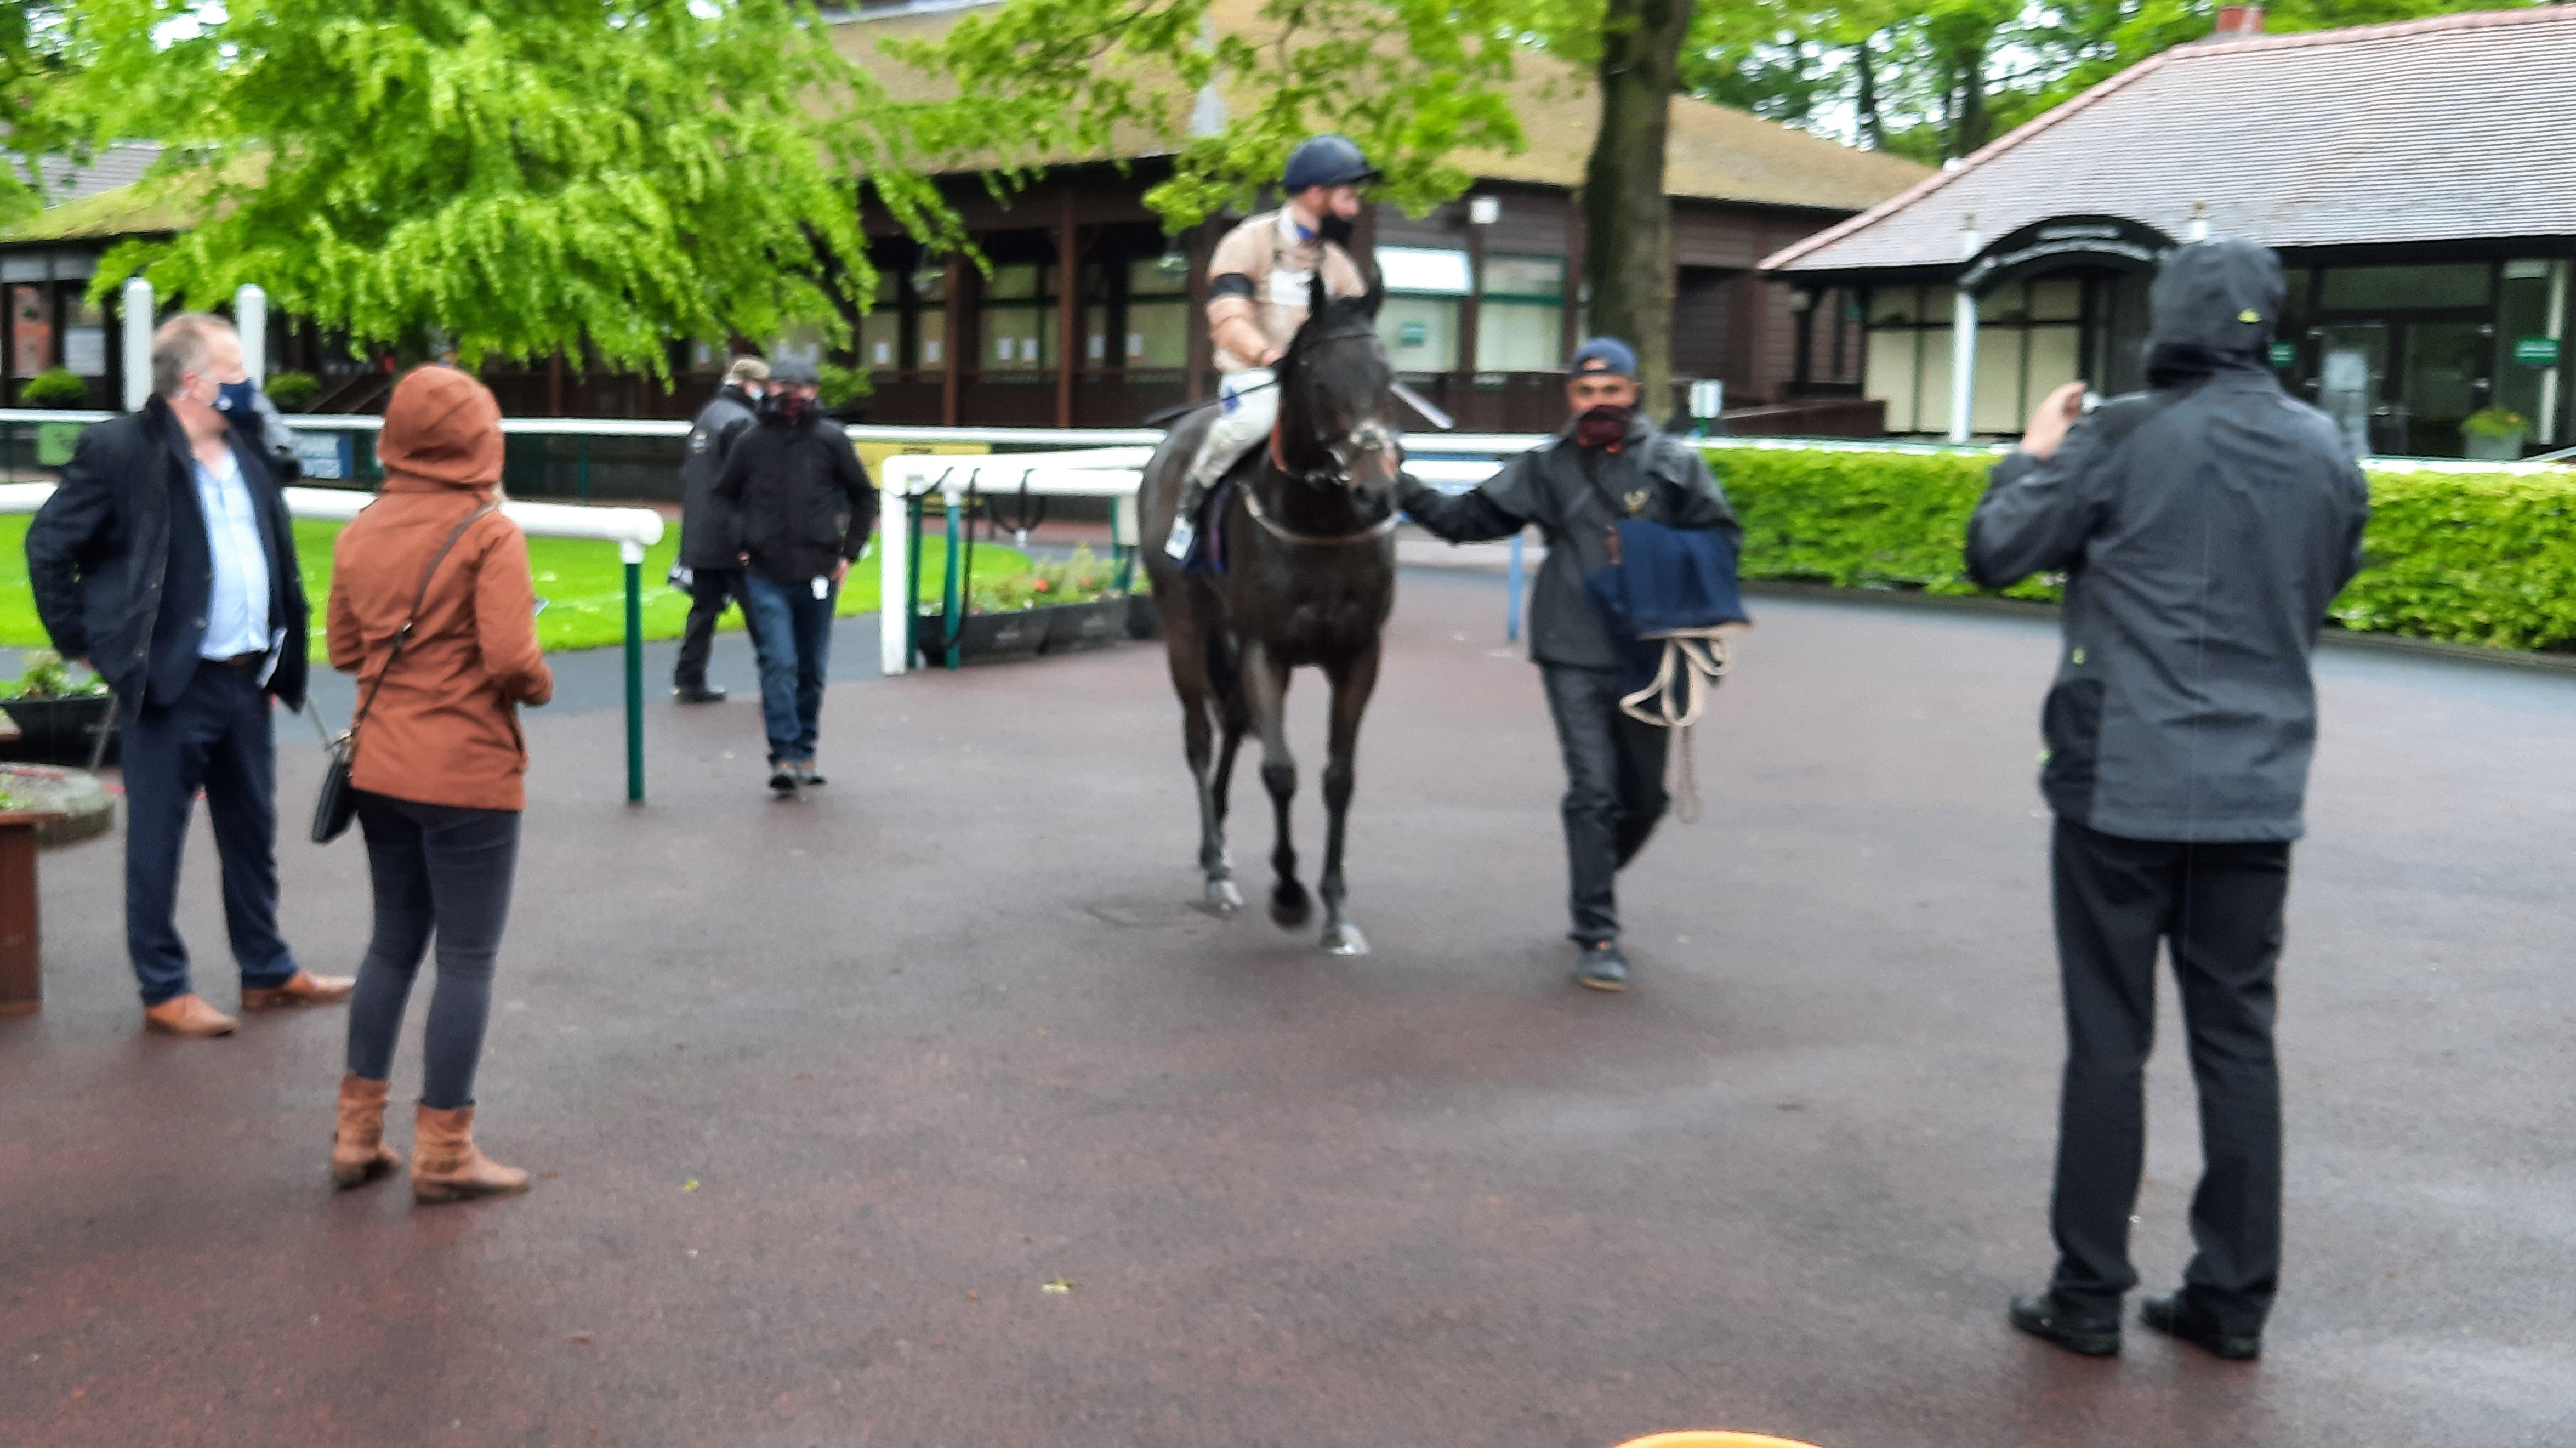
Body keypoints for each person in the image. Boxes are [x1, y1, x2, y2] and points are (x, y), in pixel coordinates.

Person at [1971, 239, 2369, 1361]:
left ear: (2168, 317)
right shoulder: (2320, 445)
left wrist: (2028, 456)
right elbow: (2326, 578)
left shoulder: (2127, 430)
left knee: (2108, 1037)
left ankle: (2087, 1294)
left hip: (2122, 778)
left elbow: (1999, 551)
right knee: (2237, 1039)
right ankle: (2231, 1301)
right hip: (2256, 785)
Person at [25, 313, 345, 1038]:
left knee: (251, 830)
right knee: (157, 839)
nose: (249, 384)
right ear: (194, 381)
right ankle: (164, 988)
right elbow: (48, 548)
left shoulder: (250, 444)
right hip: (169, 682)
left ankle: (266, 971)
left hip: (246, 676)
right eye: (235, 372)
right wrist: (84, 644)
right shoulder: (120, 451)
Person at [1396, 338, 1741, 992]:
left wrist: (1653, 549)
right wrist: (1397, 484)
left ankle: (1594, 878)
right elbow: (1465, 519)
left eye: (1610, 390)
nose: (1598, 403)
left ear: (1633, 392)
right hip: (1569, 645)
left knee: (1644, 799)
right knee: (1592, 791)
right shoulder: (1544, 467)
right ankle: (1597, 933)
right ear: (1570, 397)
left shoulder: (1674, 463)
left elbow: (1723, 539)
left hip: (1650, 651)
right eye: (1585, 392)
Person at [324, 364, 555, 1203]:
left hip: (381, 767)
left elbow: (346, 651)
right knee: (467, 957)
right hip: (467, 773)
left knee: (392, 943)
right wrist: (540, 680)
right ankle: (445, 1149)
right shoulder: (490, 533)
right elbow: (511, 661)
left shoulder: (362, 527)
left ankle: (356, 1132)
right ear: (481, 439)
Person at [1165, 134, 1375, 561]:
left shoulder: (1338, 265)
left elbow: (1356, 332)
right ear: (1316, 195)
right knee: (1254, 423)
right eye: (1348, 197)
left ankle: (1372, 523)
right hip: (1256, 375)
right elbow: (1228, 320)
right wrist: (1270, 357)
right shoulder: (1246, 243)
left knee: (1369, 433)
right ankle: (1190, 509)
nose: (1355, 209)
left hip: (1316, 383)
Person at [712, 356, 875, 796]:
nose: (792, 395)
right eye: (783, 385)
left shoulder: (831, 440)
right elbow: (723, 497)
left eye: (801, 387)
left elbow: (863, 496)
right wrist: (742, 541)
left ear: (815, 392)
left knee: (811, 669)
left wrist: (849, 553)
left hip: (819, 575)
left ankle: (805, 751)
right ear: (768, 389)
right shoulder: (750, 441)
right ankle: (782, 754)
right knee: (779, 662)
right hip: (766, 574)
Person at [672, 355, 767, 703]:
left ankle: (689, 679)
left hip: (700, 534)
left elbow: (690, 476)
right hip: (732, 536)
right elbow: (748, 484)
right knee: (761, 612)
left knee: (703, 610)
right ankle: (778, 684)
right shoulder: (742, 422)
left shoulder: (707, 415)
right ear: (749, 385)